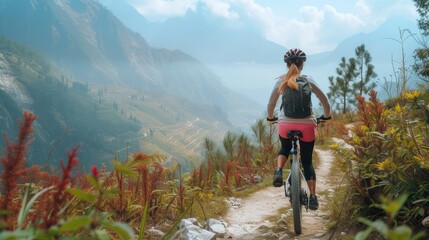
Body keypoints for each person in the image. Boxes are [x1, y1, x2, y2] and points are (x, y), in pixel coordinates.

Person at [266, 48, 331, 210]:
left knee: (285, 147)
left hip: (285, 124)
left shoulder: (281, 80)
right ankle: (313, 197)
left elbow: (271, 104)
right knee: (307, 161)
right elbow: (324, 100)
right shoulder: (308, 79)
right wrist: (326, 115)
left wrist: (270, 117)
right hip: (308, 124)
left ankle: (279, 171)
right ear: (302, 63)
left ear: (287, 64)